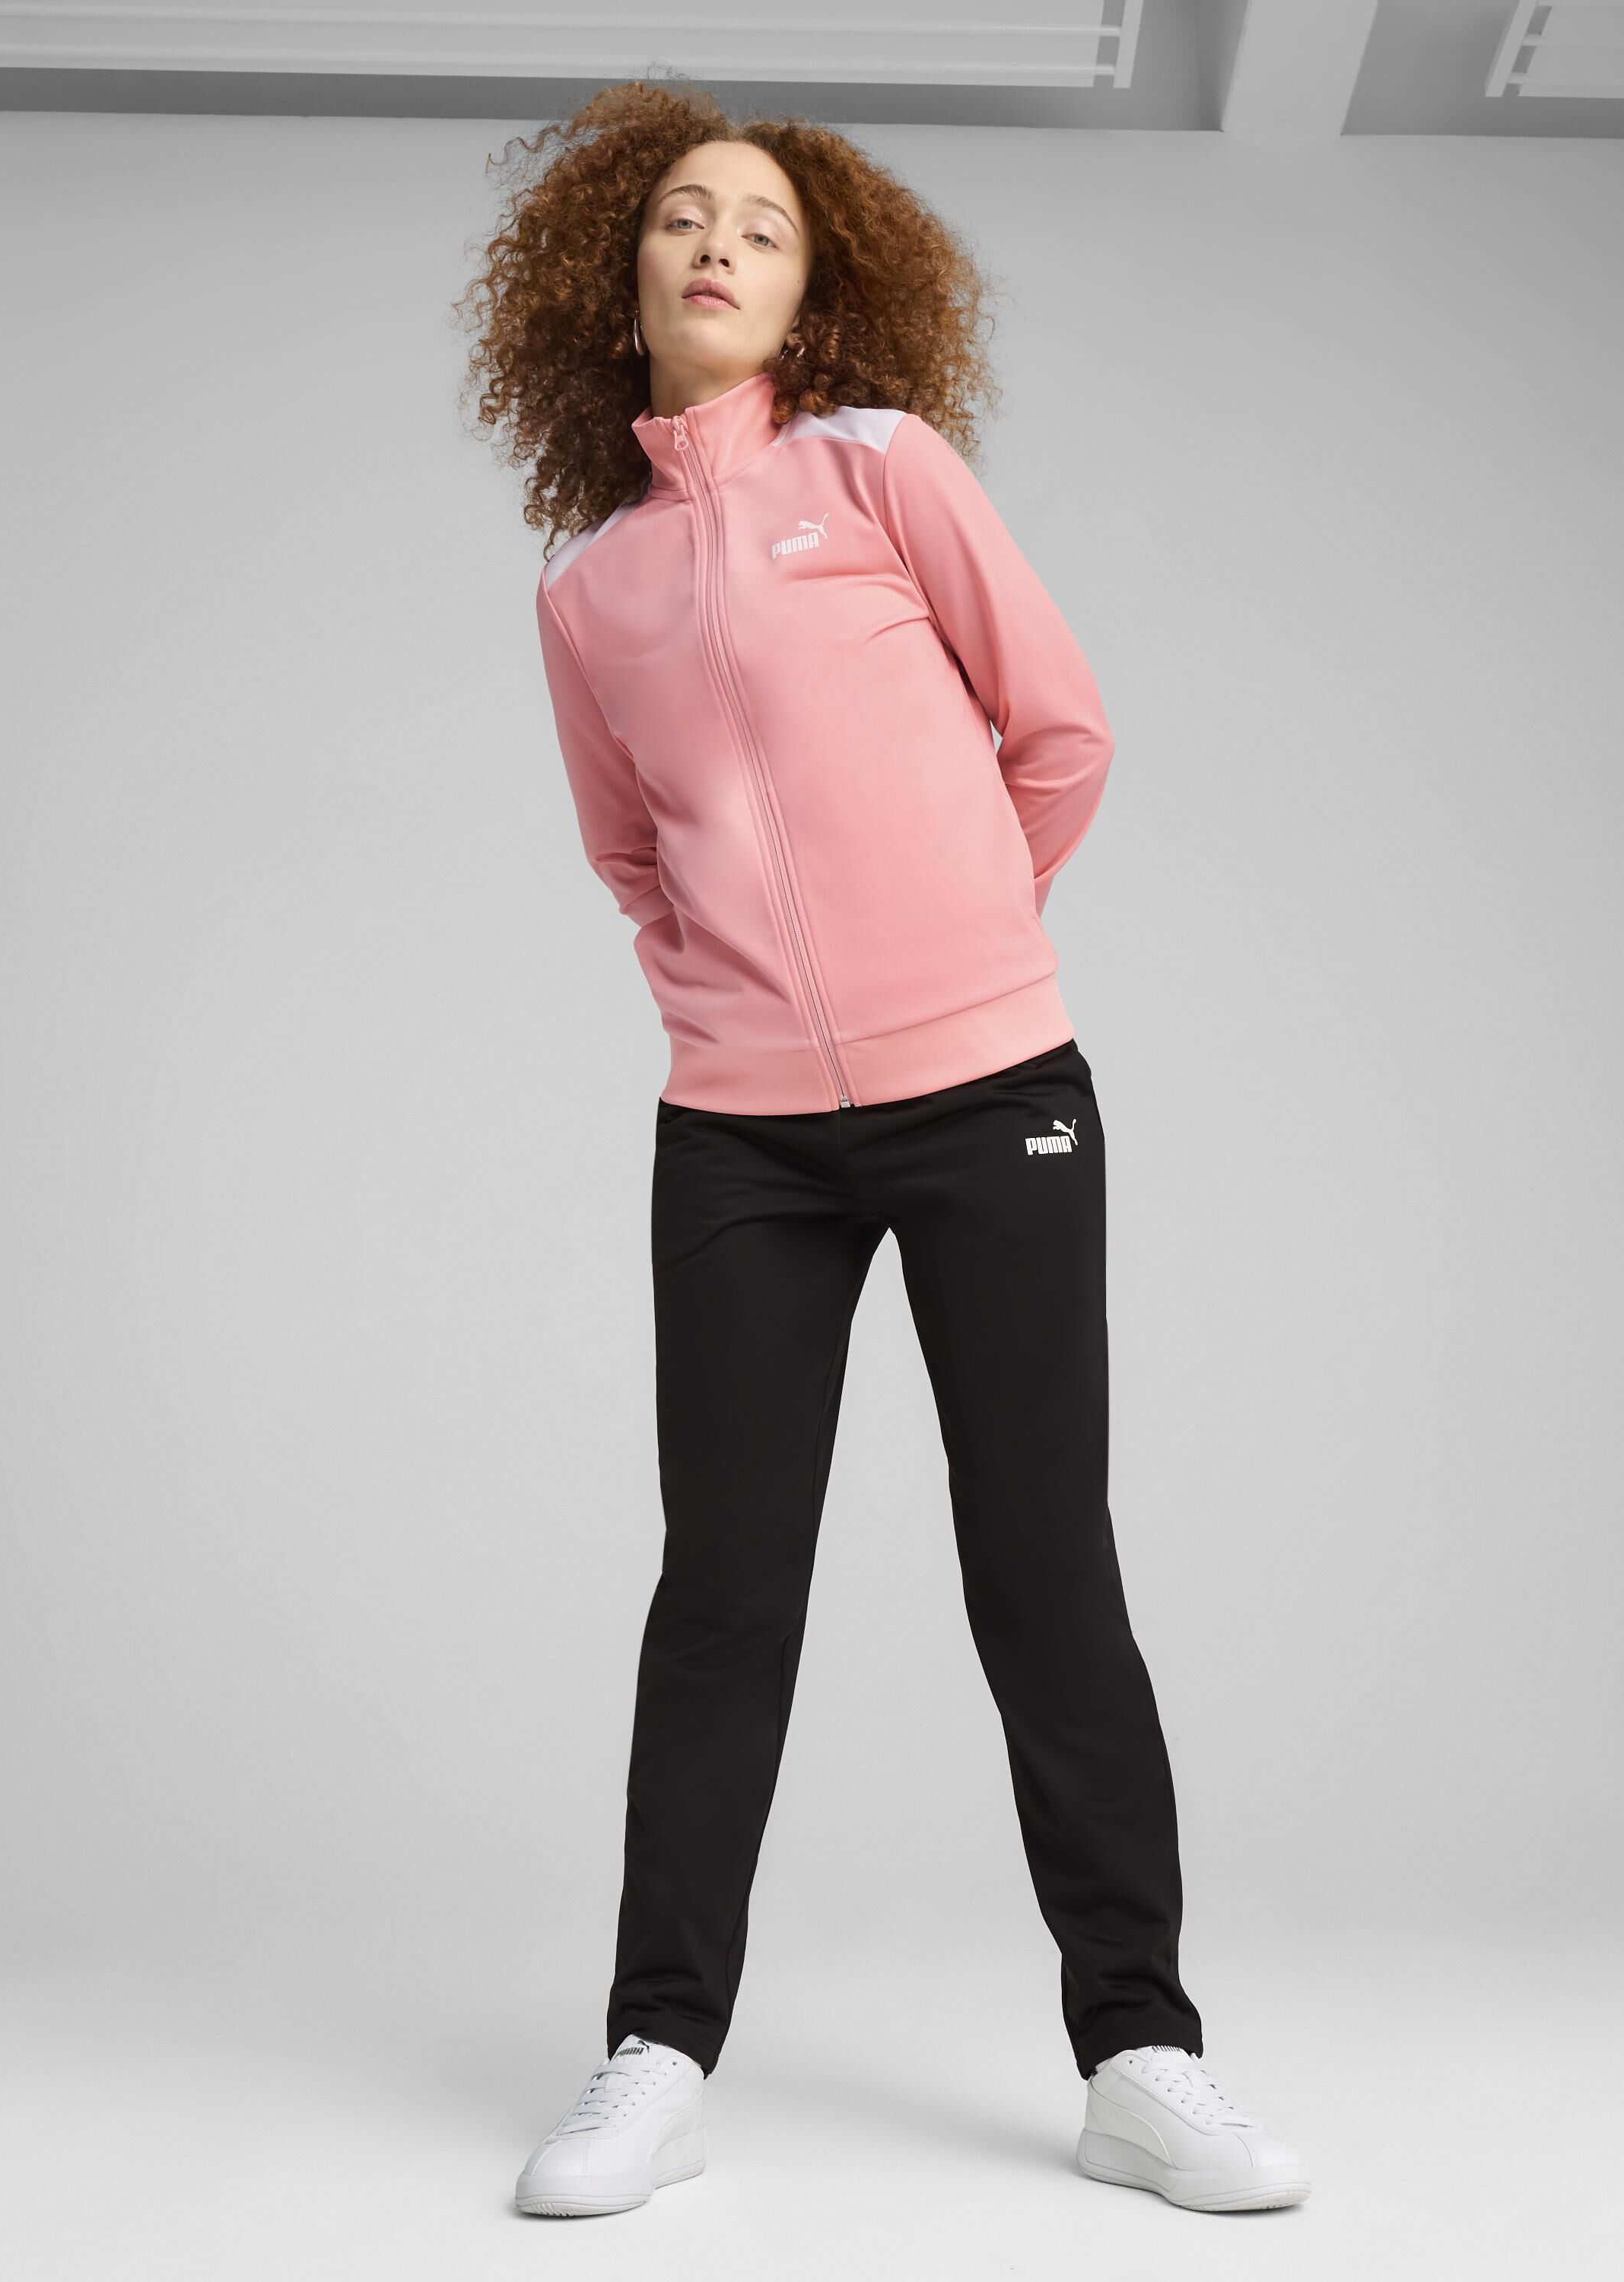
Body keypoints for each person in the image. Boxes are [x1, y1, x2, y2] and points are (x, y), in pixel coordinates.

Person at [460, 79, 1311, 2218]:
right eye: (681, 218)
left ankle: (1142, 2055)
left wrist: (956, 951)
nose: (716, 245)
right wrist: (734, 1001)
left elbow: (1061, 729)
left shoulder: (881, 467)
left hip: (993, 1094)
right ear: (618, 280)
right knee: (724, 1591)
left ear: (813, 292)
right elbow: (628, 856)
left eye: (760, 226)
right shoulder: (587, 586)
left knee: (1042, 1562)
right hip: (740, 1140)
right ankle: (658, 2053)